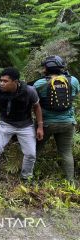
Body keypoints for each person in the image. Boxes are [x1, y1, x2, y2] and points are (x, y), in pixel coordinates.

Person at [33, 55, 79, 183]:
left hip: (46, 124)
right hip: (68, 123)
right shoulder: (73, 81)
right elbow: (74, 95)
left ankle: (27, 175)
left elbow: (35, 102)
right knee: (66, 152)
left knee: (35, 149)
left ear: (47, 68)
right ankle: (70, 182)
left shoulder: (40, 83)